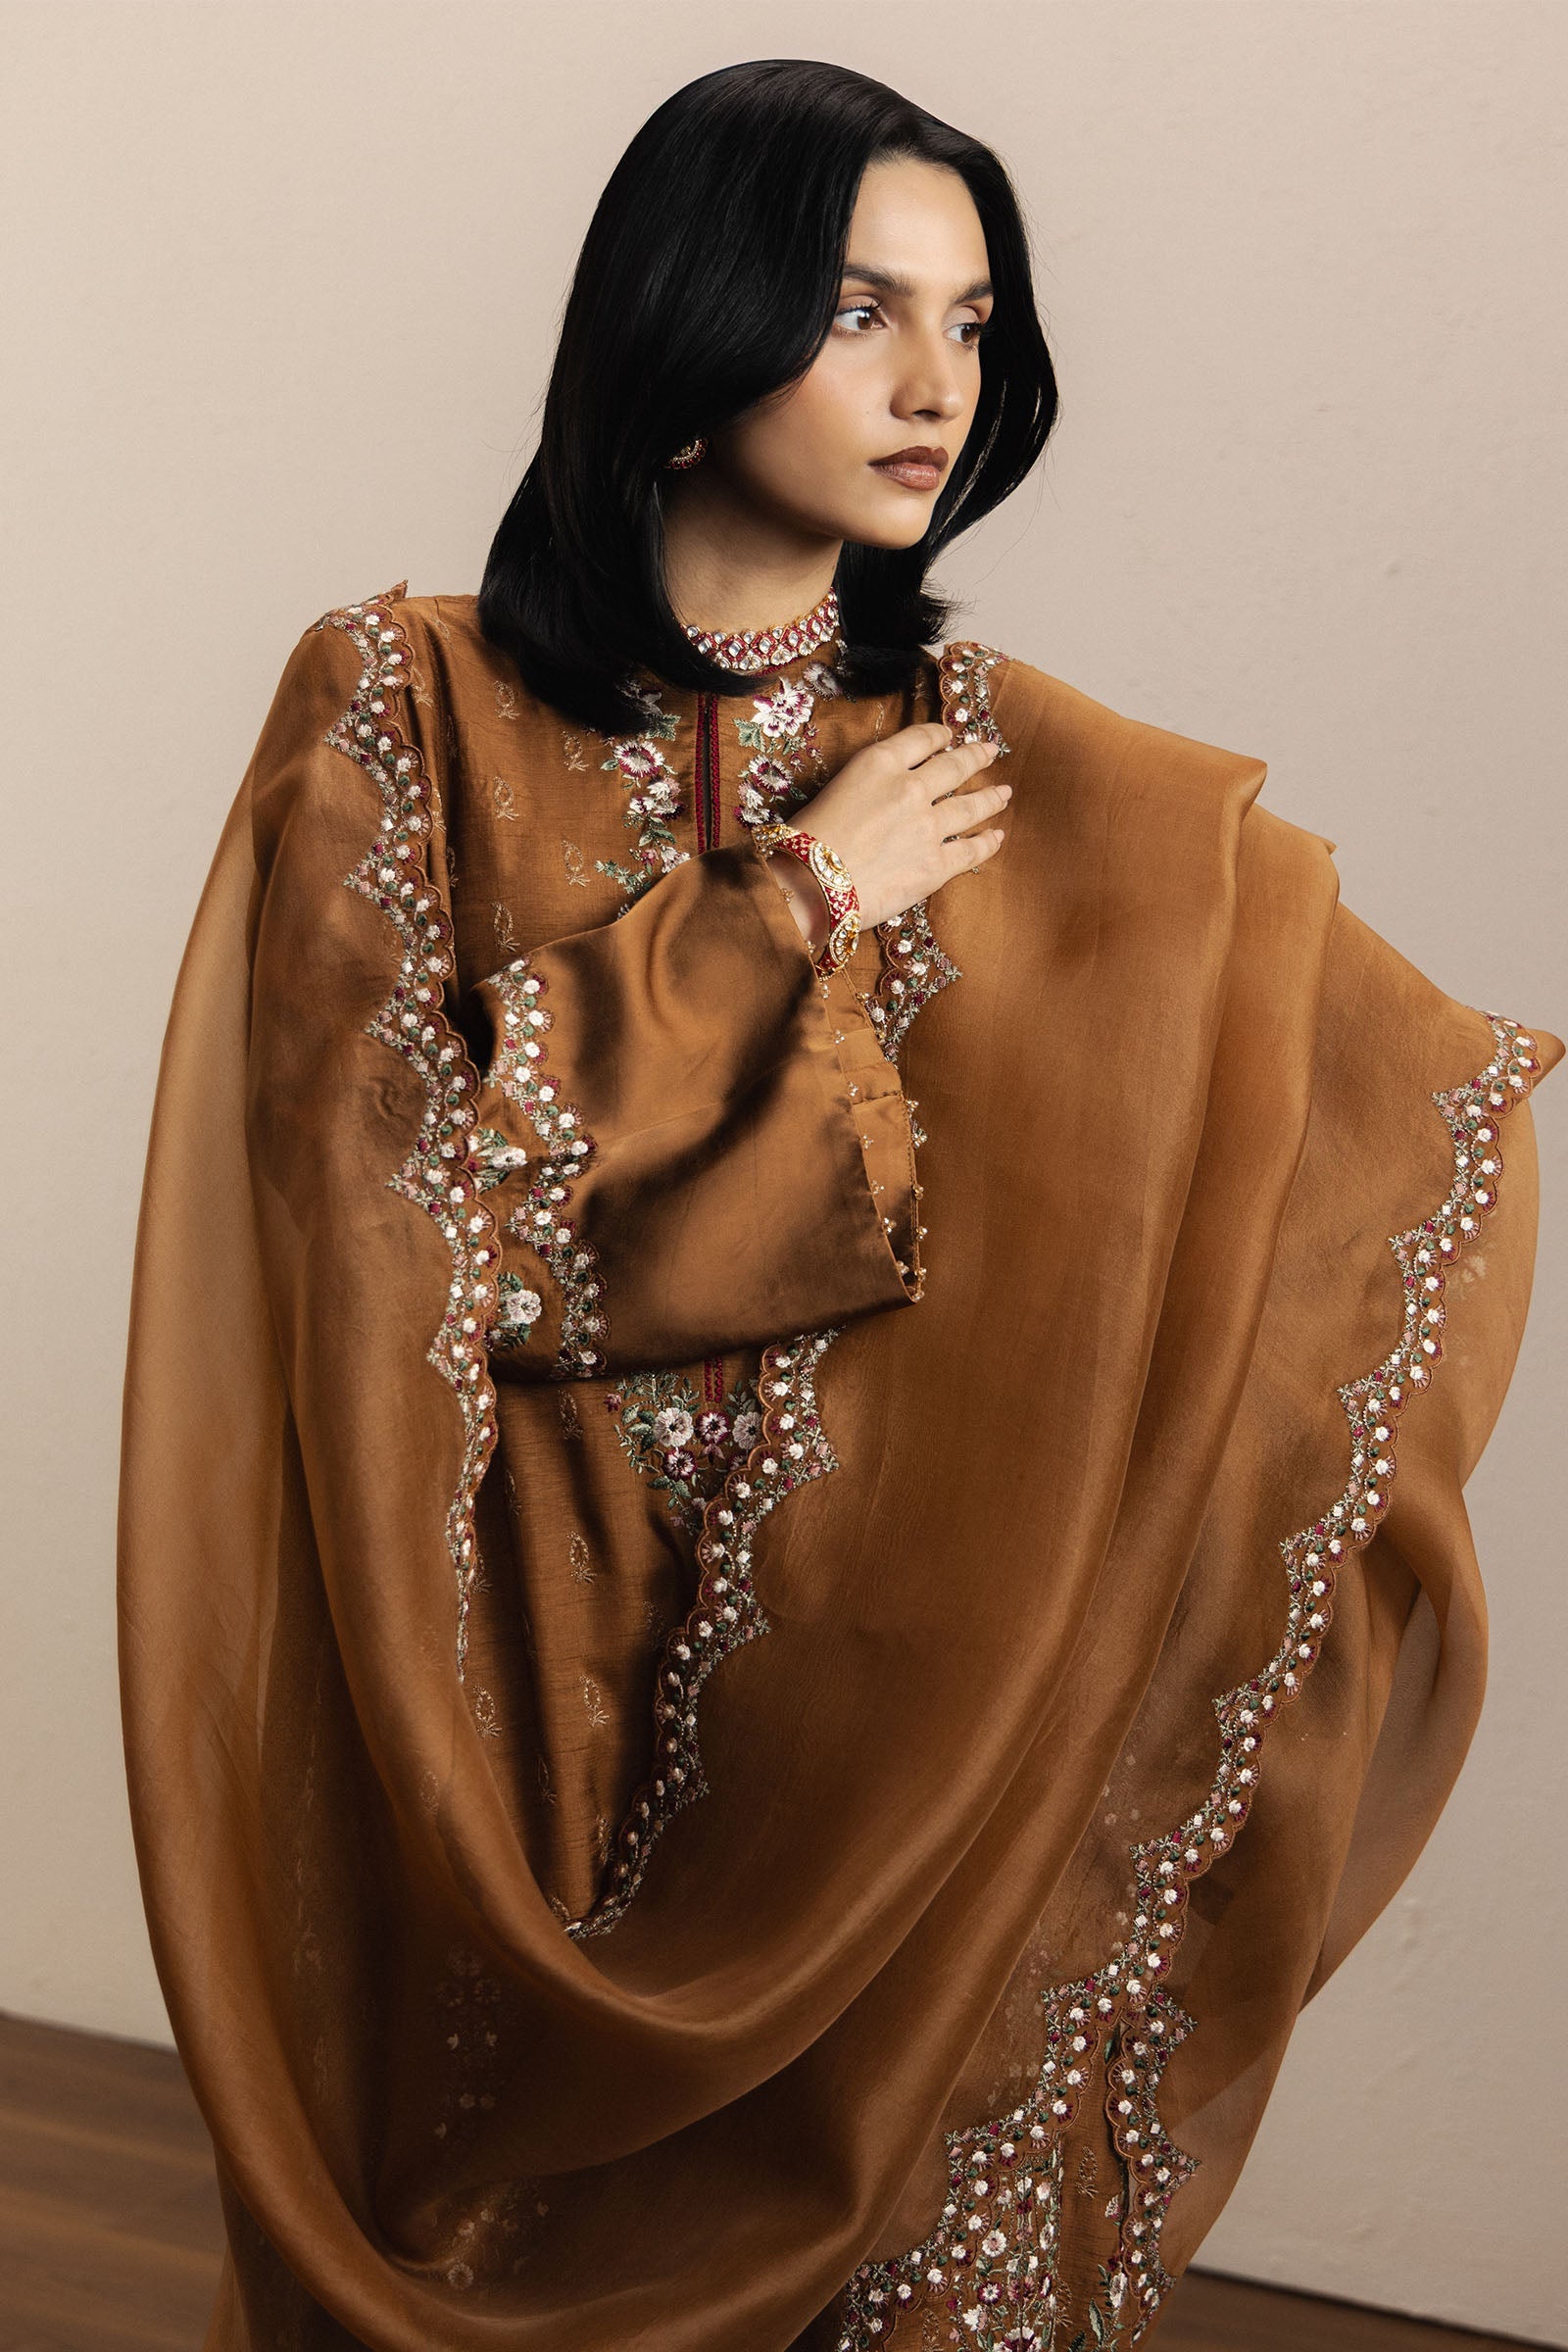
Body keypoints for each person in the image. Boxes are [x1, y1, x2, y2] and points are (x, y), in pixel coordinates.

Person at [117, 57, 1558, 2352]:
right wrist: (783, 908)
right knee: (470, 2215)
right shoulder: (405, 704)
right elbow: (388, 1204)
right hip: (494, 1648)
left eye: (969, 321)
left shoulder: (1002, 764)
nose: (932, 385)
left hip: (874, 1707)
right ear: (686, 332)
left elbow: (1358, 1139)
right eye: (857, 309)